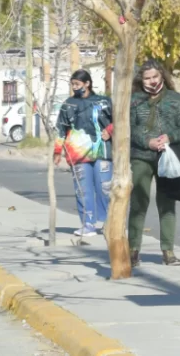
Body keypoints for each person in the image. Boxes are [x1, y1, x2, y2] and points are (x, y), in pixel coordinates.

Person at [129, 59, 180, 267]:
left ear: (162, 76)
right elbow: (129, 127)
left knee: (167, 205)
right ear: (141, 80)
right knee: (139, 203)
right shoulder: (135, 100)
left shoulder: (175, 99)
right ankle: (133, 250)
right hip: (141, 156)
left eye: (155, 77)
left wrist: (170, 137)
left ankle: (168, 251)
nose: (152, 81)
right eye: (147, 78)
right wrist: (148, 141)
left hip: (168, 157)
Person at [53, 70, 113, 237]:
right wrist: (57, 151)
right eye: (72, 84)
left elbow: (118, 120)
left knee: (105, 188)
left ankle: (110, 223)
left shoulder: (103, 102)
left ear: (87, 84)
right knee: (83, 190)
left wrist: (109, 130)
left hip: (102, 152)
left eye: (77, 84)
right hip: (78, 155)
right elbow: (61, 129)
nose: (74, 87)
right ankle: (88, 224)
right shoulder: (68, 104)